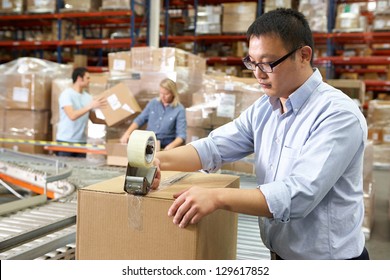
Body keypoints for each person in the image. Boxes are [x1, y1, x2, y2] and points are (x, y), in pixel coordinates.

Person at [153, 8, 369, 260]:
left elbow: (298, 194)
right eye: (252, 63)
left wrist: (217, 197)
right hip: (278, 254)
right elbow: (215, 147)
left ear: (303, 55)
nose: (258, 73)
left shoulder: (337, 114)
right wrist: (158, 160)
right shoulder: (265, 108)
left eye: (267, 63)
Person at [120, 78, 186, 150]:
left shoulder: (179, 109)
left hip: (165, 145)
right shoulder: (153, 103)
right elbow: (140, 120)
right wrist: (127, 133)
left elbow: (181, 136)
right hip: (148, 142)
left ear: (173, 93)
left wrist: (171, 146)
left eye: (166, 94)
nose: (162, 96)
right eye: (161, 93)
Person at [56, 67, 107, 157]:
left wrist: (109, 123)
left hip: (81, 142)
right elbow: (72, 116)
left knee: (80, 170)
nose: (89, 81)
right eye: (87, 78)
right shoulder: (66, 95)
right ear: (79, 78)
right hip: (66, 141)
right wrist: (90, 106)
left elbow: (94, 119)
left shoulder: (88, 97)